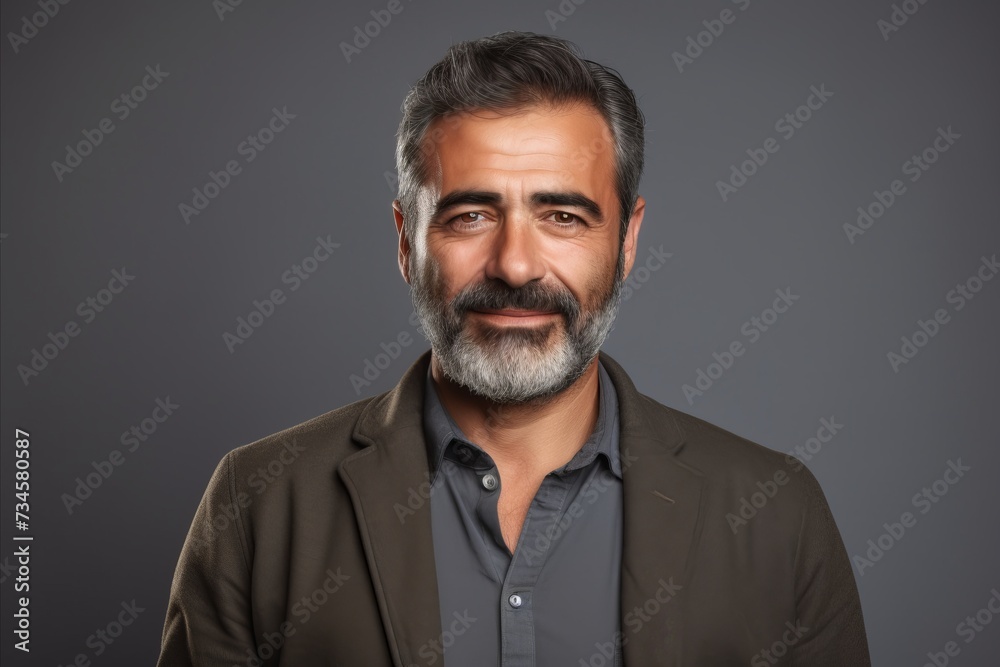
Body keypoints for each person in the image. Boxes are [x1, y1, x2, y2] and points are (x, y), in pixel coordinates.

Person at [156, 31, 871, 666]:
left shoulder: (778, 515)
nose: (516, 265)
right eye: (471, 215)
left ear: (626, 242)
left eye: (563, 215)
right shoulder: (257, 504)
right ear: (407, 242)